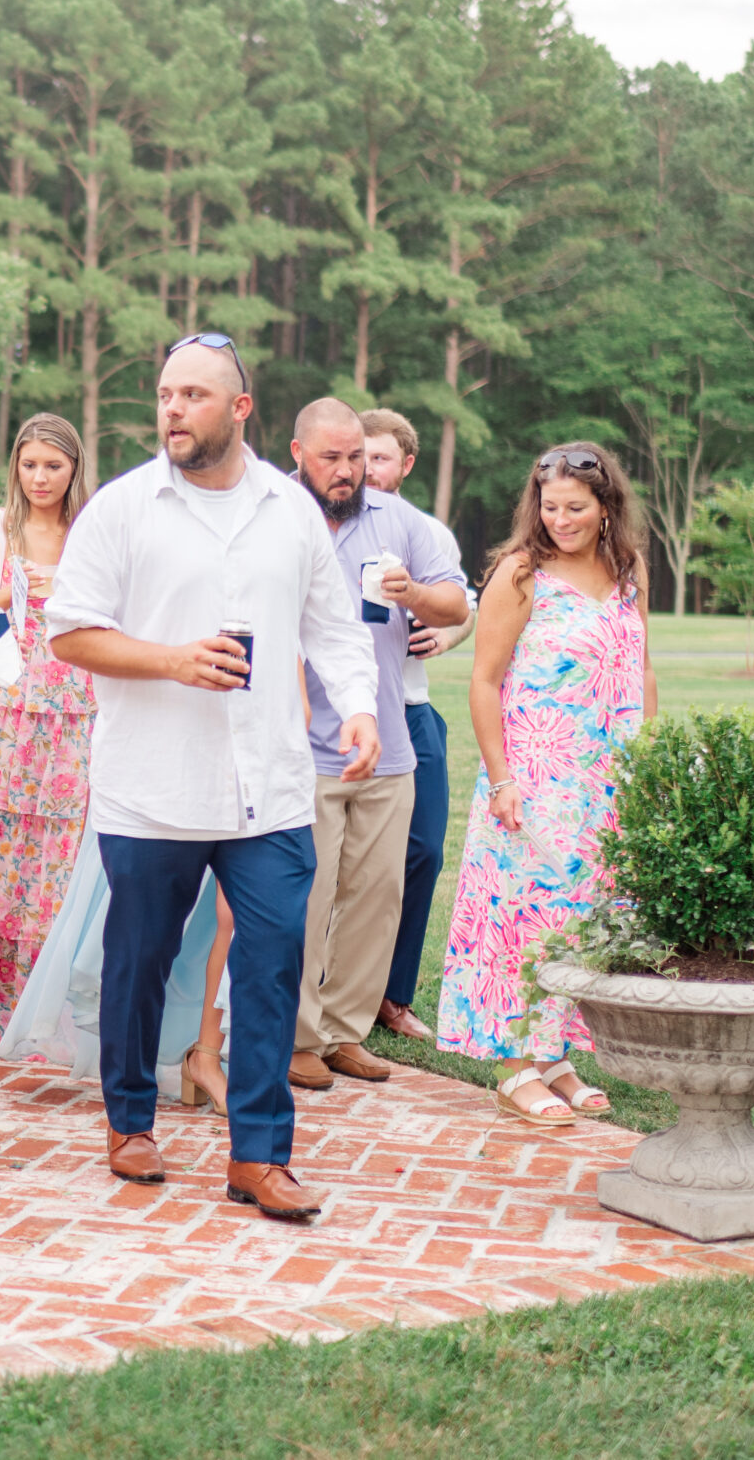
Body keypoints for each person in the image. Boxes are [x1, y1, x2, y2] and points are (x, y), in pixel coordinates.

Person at [43, 333, 380, 1215]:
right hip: (152, 785)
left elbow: (334, 626)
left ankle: (259, 1157)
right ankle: (129, 1120)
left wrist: (358, 707)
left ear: (239, 409)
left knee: (270, 963)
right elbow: (69, 630)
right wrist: (171, 661)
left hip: (268, 785)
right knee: (140, 960)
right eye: (164, 394)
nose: (172, 409)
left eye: (193, 395)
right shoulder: (122, 508)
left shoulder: (290, 509)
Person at [436, 443, 656, 1126]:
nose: (561, 519)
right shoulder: (520, 573)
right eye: (550, 506)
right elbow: (484, 681)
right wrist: (501, 775)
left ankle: (556, 1054)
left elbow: (643, 667)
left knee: (581, 915)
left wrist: (651, 759)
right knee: (520, 914)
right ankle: (512, 1063)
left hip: (606, 777)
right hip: (533, 776)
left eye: (576, 508)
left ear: (606, 507)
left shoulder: (628, 569)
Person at [286, 401, 468, 1092]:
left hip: (389, 742)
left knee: (376, 893)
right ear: (298, 452)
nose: (347, 471)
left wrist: (413, 590)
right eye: (332, 458)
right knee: (307, 892)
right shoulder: (281, 516)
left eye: (357, 457)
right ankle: (297, 1035)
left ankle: (343, 1030)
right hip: (306, 743)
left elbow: (457, 603)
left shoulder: (399, 522)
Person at [0, 413, 95, 1056]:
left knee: (58, 862)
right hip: (5, 702)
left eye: (53, 466)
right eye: (30, 464)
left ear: (73, 470)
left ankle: (46, 1025)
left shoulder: (88, 530)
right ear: (15, 466)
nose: (40, 478)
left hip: (72, 707)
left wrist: (64, 589)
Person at [359, 409, 476, 1042]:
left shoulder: (425, 532)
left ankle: (393, 996)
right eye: (360, 455)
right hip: (346, 715)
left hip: (412, 707)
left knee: (425, 850)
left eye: (381, 458)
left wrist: (445, 633)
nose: (368, 468)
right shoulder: (331, 520)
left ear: (406, 465)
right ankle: (331, 988)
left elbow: (465, 611)